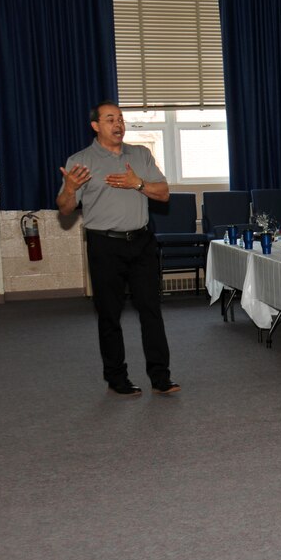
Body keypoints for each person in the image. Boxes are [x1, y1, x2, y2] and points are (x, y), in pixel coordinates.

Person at [56, 101, 179, 397]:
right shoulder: (81, 160)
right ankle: (116, 377)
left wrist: (138, 184)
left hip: (141, 243)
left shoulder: (140, 155)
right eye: (110, 119)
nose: (118, 124)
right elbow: (64, 209)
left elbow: (163, 194)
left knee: (151, 310)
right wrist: (70, 189)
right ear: (96, 126)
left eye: (121, 118)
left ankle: (160, 376)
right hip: (104, 245)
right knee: (109, 314)